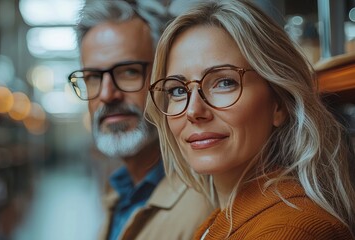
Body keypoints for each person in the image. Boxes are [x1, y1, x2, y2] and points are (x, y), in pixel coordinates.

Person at [146, 0, 355, 239]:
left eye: (224, 82)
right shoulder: (218, 224)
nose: (193, 110)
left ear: (279, 103)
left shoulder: (290, 230)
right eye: (177, 90)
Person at [68, 1, 211, 240]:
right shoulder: (119, 192)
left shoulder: (205, 211)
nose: (106, 94)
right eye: (93, 77)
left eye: (128, 71)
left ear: (169, 78)